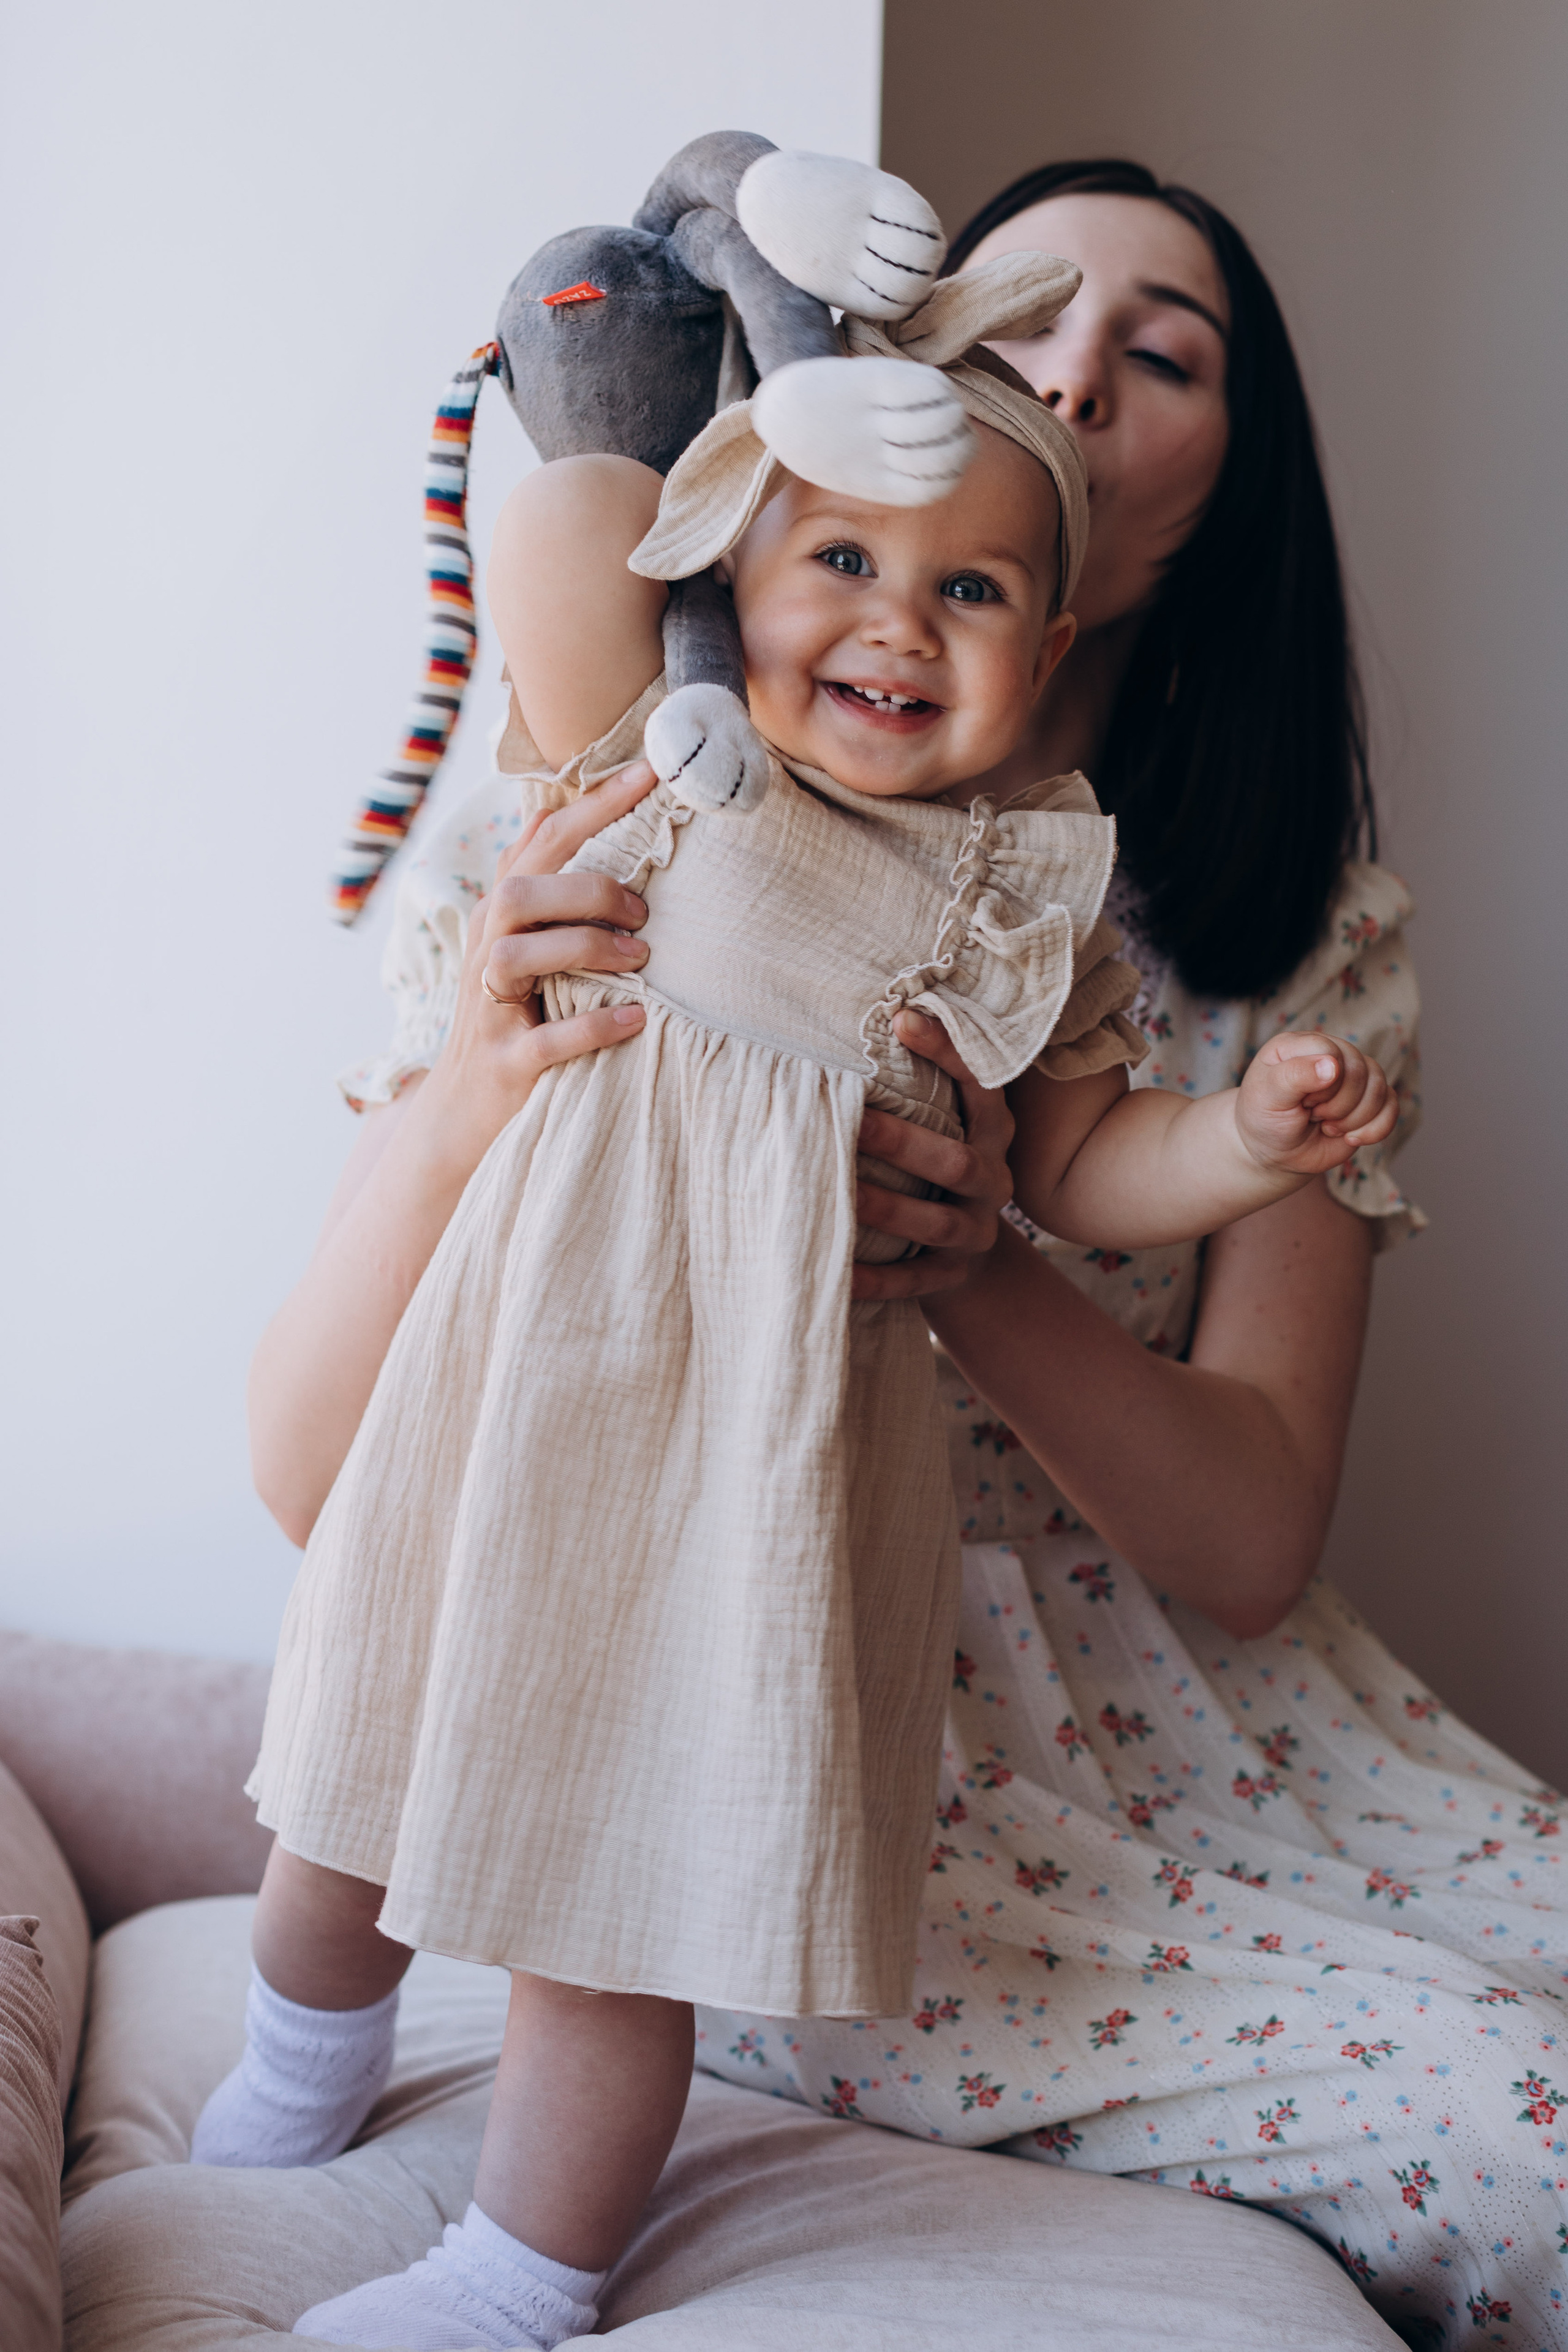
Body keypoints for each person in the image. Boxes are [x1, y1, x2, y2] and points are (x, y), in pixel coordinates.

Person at [206, 244, 1394, 2352]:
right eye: (837, 555)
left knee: (615, 1915)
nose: (892, 620)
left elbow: (1091, 1166)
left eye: (969, 592)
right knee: (340, 1785)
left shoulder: (1024, 891)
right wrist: (663, 263)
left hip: (745, 1503)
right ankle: (290, 2082)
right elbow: (575, 492)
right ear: (732, 568)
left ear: (1059, 627)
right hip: (513, 1418)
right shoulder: (653, 772)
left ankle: (525, 2269)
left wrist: (1252, 1146)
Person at [687, 164, 1565, 2352]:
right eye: (1025, 308)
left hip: (1230, 1718)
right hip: (844, 1736)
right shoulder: (698, 817)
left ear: (1218, 489)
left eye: (1160, 352)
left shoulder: (1299, 944)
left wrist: (978, 1249)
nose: (1072, 367)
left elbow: (1254, 1535)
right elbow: (331, 1454)